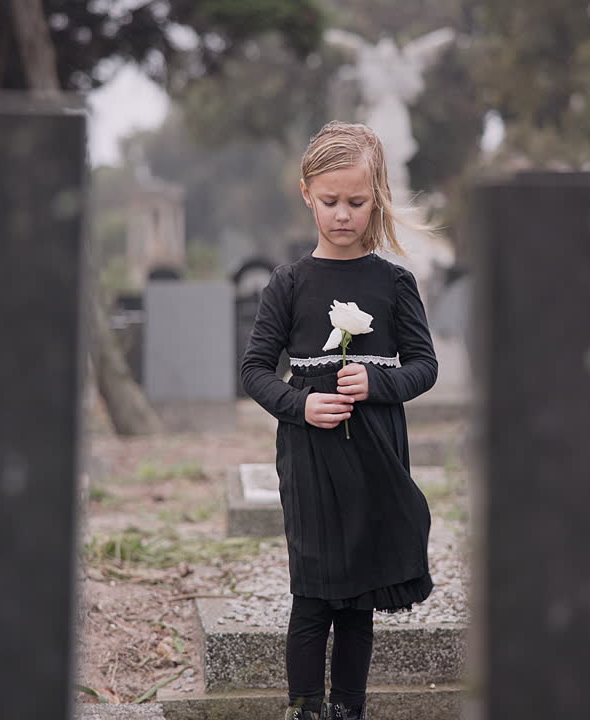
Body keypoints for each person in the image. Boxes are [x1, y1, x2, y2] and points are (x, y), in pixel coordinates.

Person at [241, 121, 438, 720]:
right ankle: (304, 709)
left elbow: (424, 366)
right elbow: (254, 370)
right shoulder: (289, 284)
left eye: (355, 202)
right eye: (330, 202)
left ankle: (349, 709)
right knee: (314, 595)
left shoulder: (394, 283)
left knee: (357, 600)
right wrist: (300, 404)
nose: (343, 215)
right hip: (310, 457)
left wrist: (378, 383)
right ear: (307, 194)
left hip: (376, 454)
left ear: (375, 196)